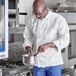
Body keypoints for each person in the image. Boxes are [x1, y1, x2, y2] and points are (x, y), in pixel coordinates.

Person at [23, 0, 70, 76]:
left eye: (39, 14)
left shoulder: (58, 19)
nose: (37, 16)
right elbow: (27, 37)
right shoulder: (31, 20)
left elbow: (65, 40)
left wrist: (48, 45)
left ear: (45, 8)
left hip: (53, 63)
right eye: (35, 14)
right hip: (38, 63)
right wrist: (28, 47)